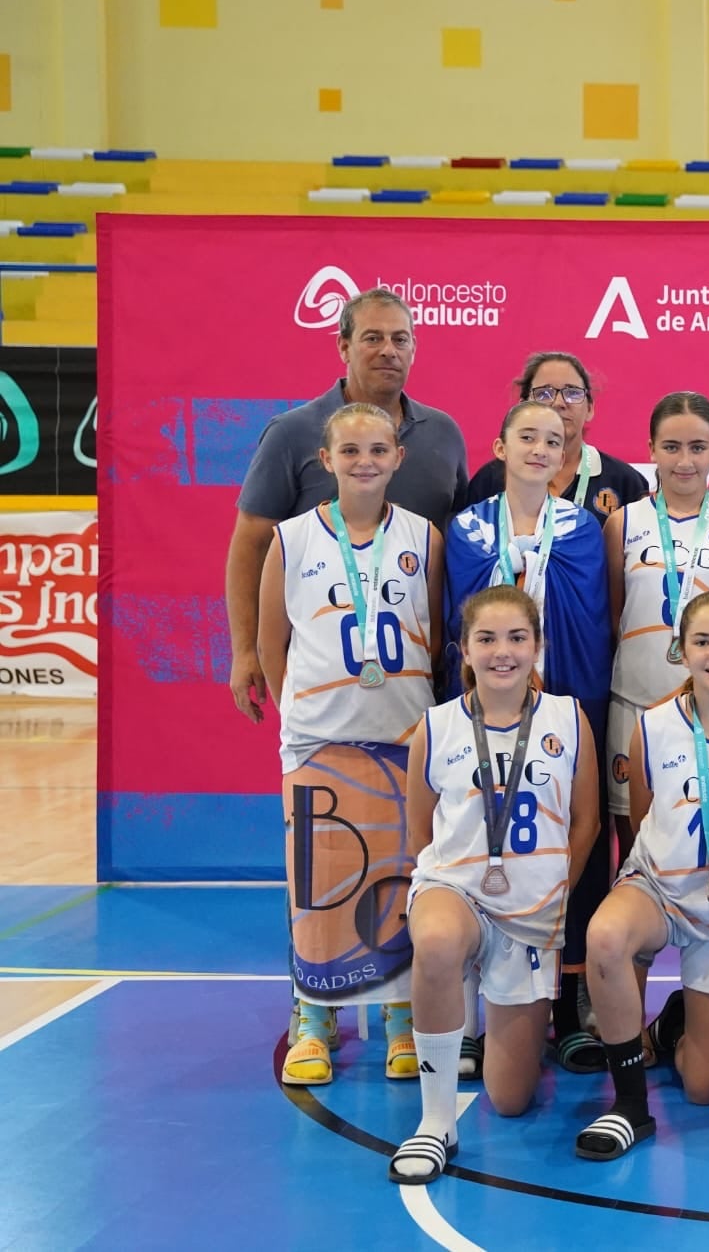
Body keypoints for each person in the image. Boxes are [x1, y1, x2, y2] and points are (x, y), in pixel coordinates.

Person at [574, 592, 709, 1161]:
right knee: (606, 937)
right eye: (702, 641)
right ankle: (629, 1106)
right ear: (681, 650)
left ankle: (672, 1027)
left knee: (703, 1089)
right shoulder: (651, 726)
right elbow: (647, 818)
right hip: (660, 889)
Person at [258, 403, 443, 1085]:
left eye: (377, 448)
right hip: (319, 740)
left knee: (400, 876)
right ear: (325, 459)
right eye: (350, 449)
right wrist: (301, 718)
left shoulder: (424, 537)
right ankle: (315, 1016)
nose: (364, 459)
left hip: (403, 737)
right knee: (319, 882)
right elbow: (270, 641)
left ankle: (399, 1013)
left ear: (398, 458)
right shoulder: (294, 537)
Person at [390, 586, 600, 1184]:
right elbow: (419, 832)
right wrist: (444, 898)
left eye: (516, 638)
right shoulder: (435, 726)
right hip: (455, 890)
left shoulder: (569, 718)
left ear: (538, 646)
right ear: (464, 650)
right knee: (434, 939)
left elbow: (584, 822)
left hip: (529, 915)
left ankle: (479, 1020)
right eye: (486, 639)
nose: (502, 652)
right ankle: (435, 1124)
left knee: (511, 1100)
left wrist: (553, 894)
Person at [446, 400, 614, 1072]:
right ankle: (469, 1015)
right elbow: (463, 617)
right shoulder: (464, 529)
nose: (541, 448)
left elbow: (589, 621)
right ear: (500, 445)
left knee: (567, 845)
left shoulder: (582, 529)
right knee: (476, 842)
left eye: (553, 438)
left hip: (562, 708)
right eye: (527, 437)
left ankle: (568, 1004)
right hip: (486, 712)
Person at [602, 391, 709, 1069]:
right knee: (635, 855)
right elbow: (613, 615)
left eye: (698, 447)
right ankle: (628, 1020)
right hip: (635, 707)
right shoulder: (625, 523)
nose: (684, 459)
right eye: (671, 446)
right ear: (652, 451)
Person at [227, 287, 467, 725]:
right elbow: (251, 543)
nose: (388, 351)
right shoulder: (293, 432)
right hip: (325, 676)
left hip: (417, 675)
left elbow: (461, 543)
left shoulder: (444, 433)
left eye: (401, 339)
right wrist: (246, 649)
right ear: (343, 346)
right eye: (372, 338)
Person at [462, 352, 650, 518]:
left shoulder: (624, 481)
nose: (559, 402)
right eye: (544, 393)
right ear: (523, 406)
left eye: (573, 393)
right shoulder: (491, 479)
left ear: (590, 408)